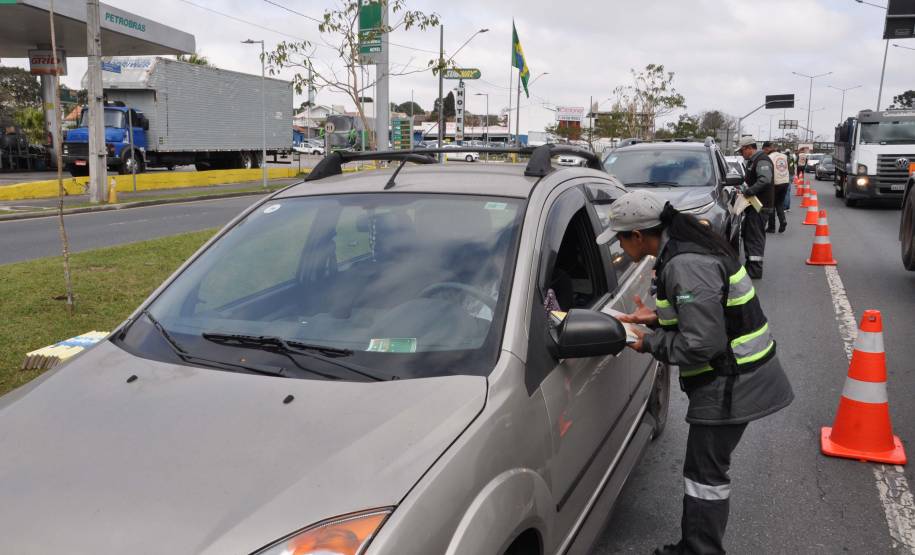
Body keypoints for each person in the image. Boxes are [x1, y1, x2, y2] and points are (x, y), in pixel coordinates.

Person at [598, 190, 794, 555]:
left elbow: (703, 343)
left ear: (638, 236)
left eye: (621, 239)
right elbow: (710, 309)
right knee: (704, 473)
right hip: (734, 377)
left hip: (733, 382)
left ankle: (700, 551)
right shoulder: (684, 249)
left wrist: (648, 342)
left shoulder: (686, 264)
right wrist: (656, 317)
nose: (620, 248)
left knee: (706, 478)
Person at [736, 136, 774, 278]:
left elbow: (765, 179)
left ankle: (755, 270)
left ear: (749, 148)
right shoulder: (753, 161)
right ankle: (751, 266)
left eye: (742, 151)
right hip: (754, 206)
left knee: (755, 237)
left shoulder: (762, 160)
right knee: (748, 234)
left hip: (760, 206)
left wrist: (749, 191)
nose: (741, 154)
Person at [763, 142, 789, 233]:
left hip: (775, 183)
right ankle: (783, 221)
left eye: (764, 150)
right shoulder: (784, 156)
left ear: (766, 149)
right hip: (785, 182)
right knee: (779, 204)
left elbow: (768, 171)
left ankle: (771, 227)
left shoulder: (769, 158)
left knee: (771, 205)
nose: (764, 152)